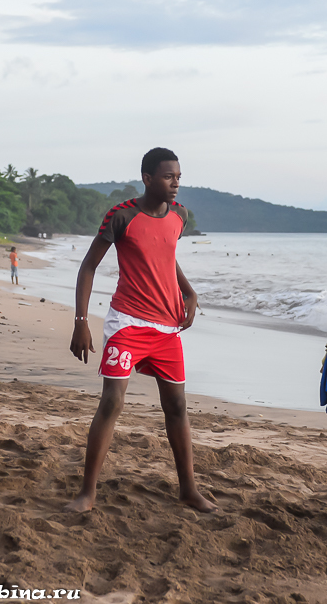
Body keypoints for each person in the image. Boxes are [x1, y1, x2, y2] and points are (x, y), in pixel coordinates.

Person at [65, 147, 214, 514]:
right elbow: (88, 266)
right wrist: (81, 322)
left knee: (177, 405)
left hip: (166, 326)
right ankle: (87, 493)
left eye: (178, 176)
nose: (175, 183)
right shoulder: (122, 215)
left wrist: (189, 291)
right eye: (168, 176)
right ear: (148, 178)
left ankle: (189, 490)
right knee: (112, 401)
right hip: (127, 323)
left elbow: (165, 253)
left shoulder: (180, 215)